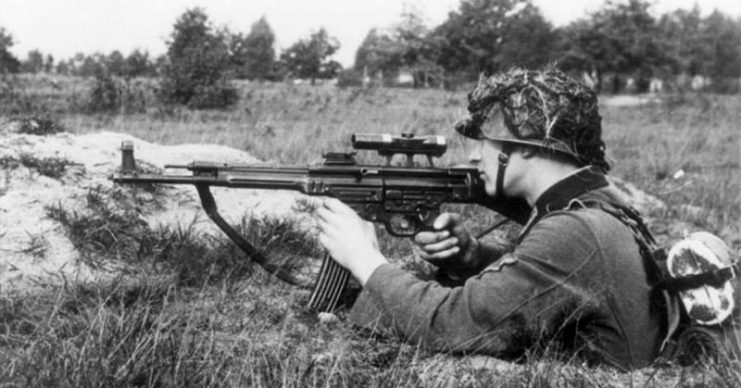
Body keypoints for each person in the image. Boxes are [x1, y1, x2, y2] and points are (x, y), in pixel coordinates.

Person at [315, 68, 664, 371]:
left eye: (486, 142)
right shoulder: (596, 203)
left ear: (527, 144)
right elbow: (556, 282)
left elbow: (448, 324)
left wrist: (363, 259)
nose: (475, 155)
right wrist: (473, 258)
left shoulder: (575, 231)